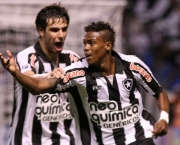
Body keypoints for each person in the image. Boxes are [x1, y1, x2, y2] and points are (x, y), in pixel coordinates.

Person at [0, 21, 170, 145]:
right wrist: (15, 72)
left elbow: (159, 91)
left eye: (92, 43)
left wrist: (164, 117)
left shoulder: (133, 65)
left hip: (138, 137)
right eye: (84, 43)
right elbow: (37, 88)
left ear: (107, 46)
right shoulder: (78, 72)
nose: (86, 48)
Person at [4, 3, 83, 145]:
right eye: (54, 30)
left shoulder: (73, 59)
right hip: (27, 141)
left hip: (65, 140)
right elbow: (31, 79)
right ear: (41, 30)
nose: (61, 35)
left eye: (64, 29)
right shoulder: (26, 56)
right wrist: (50, 76)